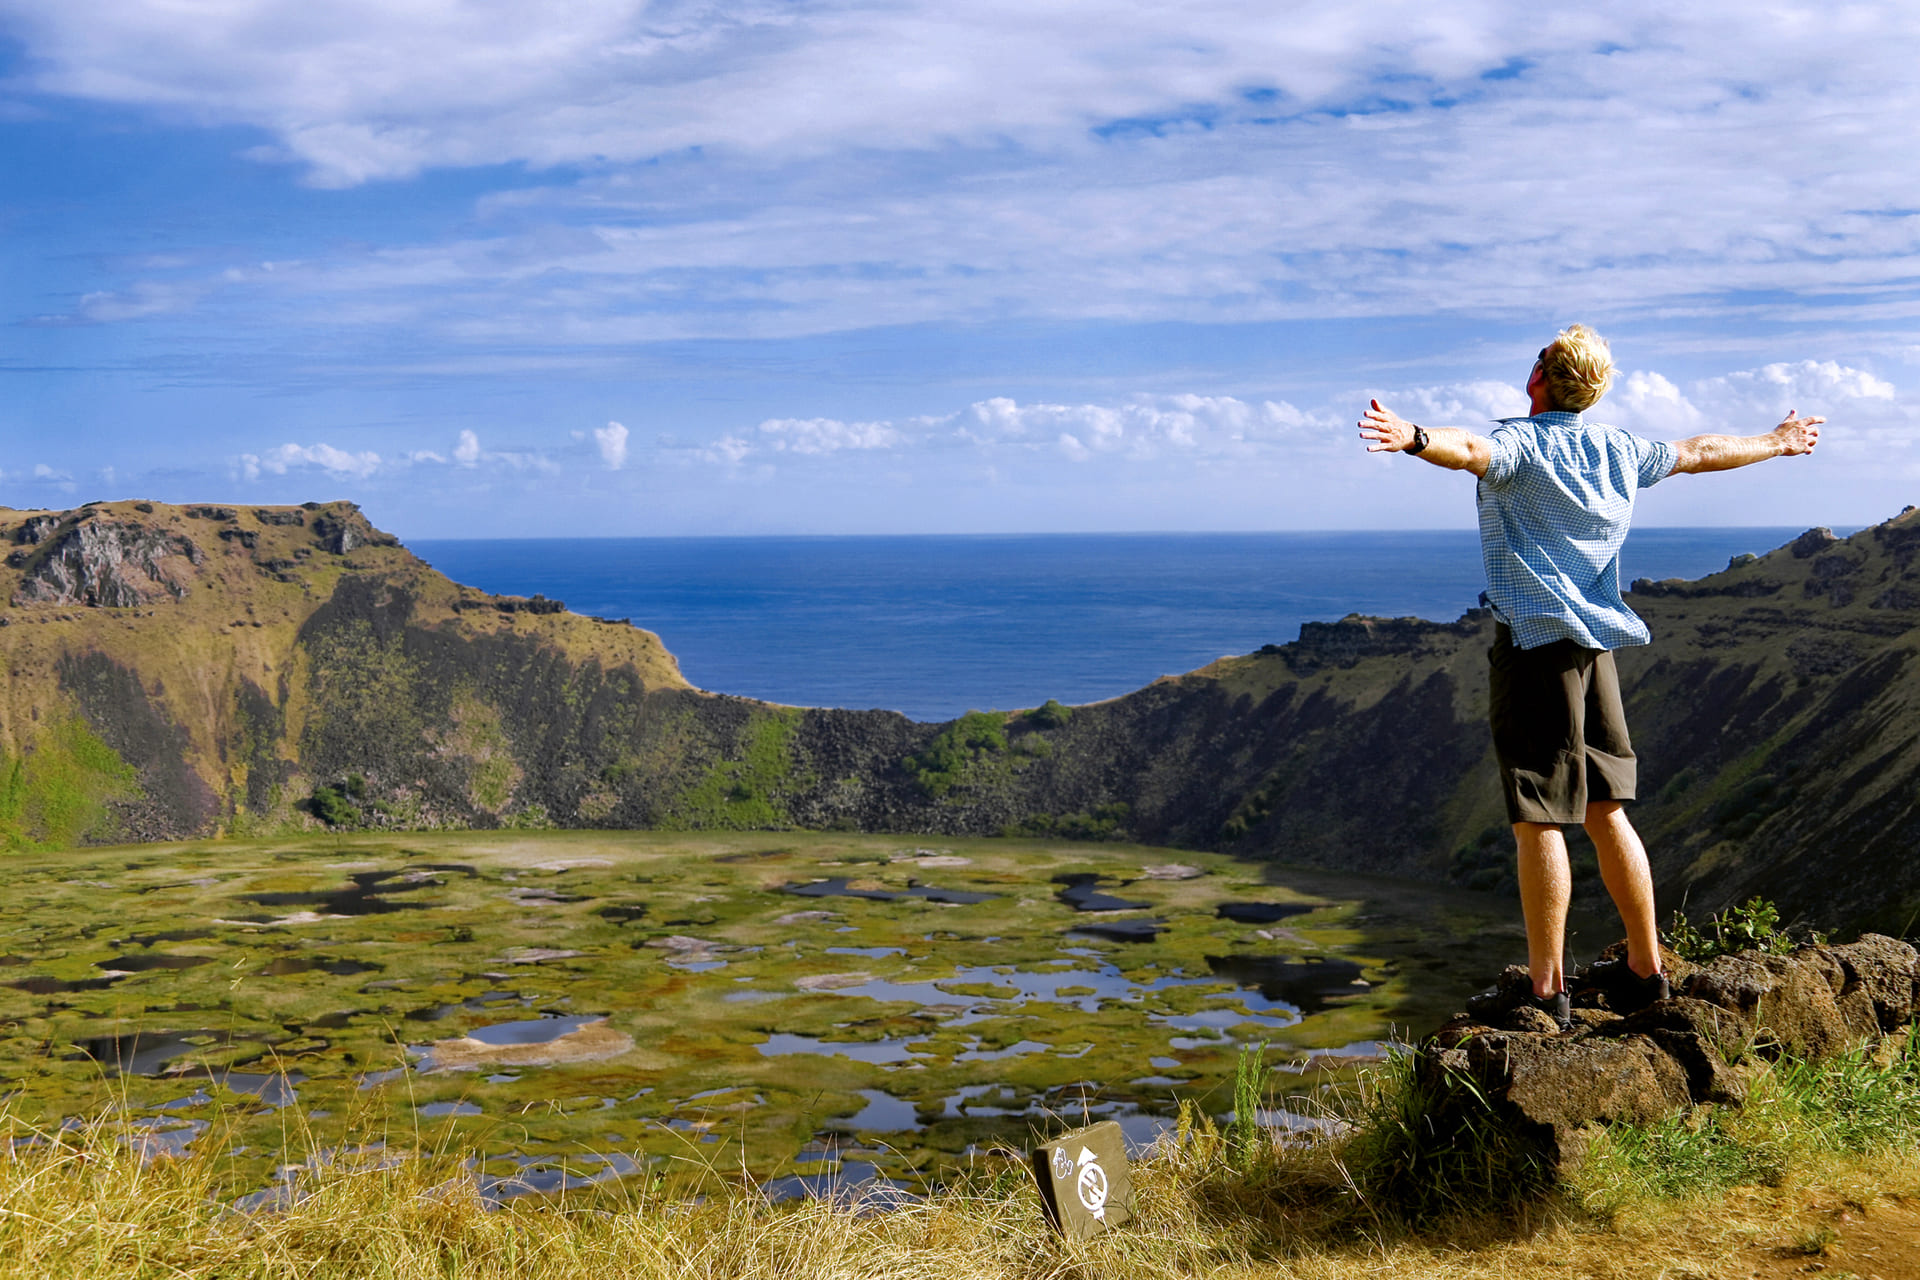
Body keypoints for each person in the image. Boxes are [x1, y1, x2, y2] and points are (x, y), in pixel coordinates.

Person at [1356, 325, 1822, 1029]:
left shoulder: (1521, 445)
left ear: (1540, 377)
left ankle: (1547, 990)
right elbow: (1699, 452)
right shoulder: (1618, 449)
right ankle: (1646, 967)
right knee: (1607, 809)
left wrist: (1413, 435)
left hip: (1536, 645)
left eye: (1539, 356)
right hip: (1596, 646)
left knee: (1540, 815)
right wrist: (1777, 441)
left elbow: (1472, 449)